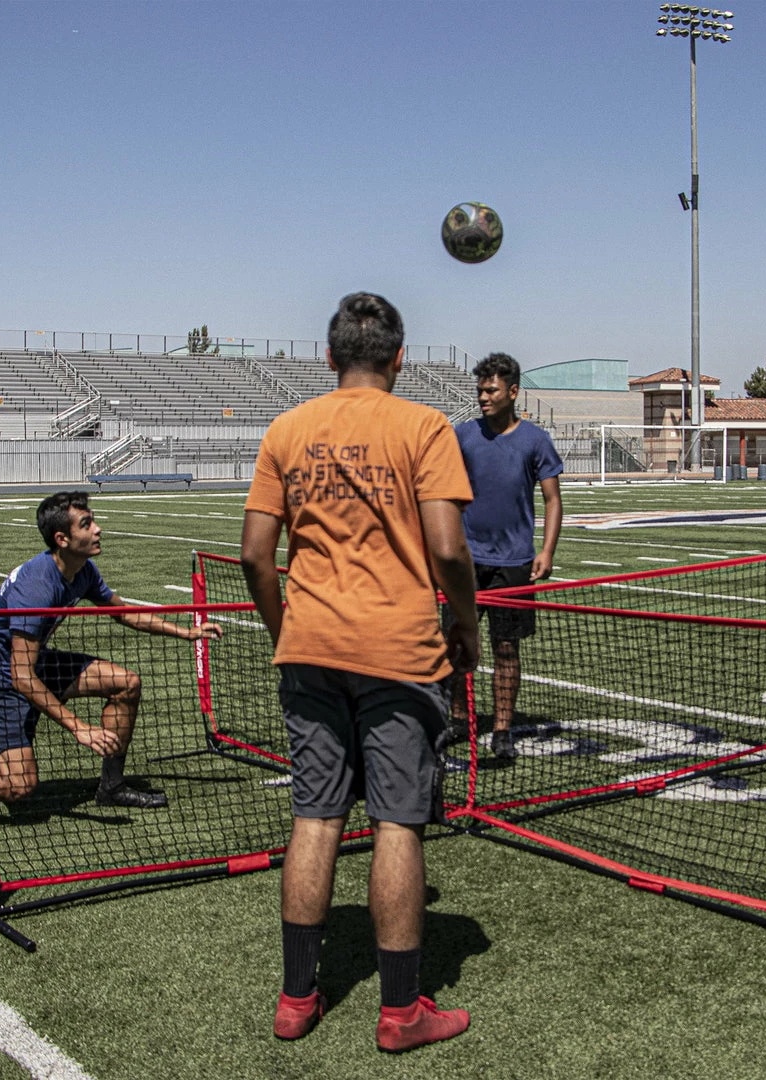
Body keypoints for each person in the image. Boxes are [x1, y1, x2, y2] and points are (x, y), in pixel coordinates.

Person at [239, 292, 480, 1053]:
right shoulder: (424, 425)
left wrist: (287, 627)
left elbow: (254, 554)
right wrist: (466, 619)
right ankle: (402, 1012)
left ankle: (296, 999)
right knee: (397, 823)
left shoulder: (288, 427)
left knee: (314, 817)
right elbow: (447, 549)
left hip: (310, 646)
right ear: (400, 358)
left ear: (329, 354)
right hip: (398, 651)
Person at [0, 491, 222, 819]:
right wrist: (79, 728)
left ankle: (111, 787)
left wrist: (185, 631)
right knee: (18, 787)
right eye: (86, 524)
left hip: (34, 662)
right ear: (63, 539)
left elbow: (122, 612)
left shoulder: (82, 570)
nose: (97, 529)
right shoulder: (37, 586)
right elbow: (20, 676)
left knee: (125, 684)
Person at [448, 352, 563, 760]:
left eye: (491, 390)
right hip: (464, 563)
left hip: (514, 563)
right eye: (479, 390)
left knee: (506, 648)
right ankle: (460, 720)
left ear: (512, 391)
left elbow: (552, 500)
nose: (483, 396)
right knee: (456, 646)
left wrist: (546, 551)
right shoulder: (462, 436)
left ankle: (501, 730)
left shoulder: (535, 439)